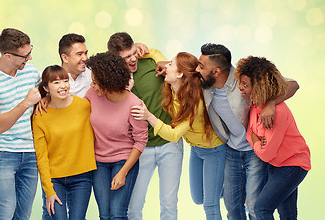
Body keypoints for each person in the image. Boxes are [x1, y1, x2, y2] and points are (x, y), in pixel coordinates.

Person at [194, 43, 299, 220]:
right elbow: (181, 68)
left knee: (254, 207)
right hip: (231, 150)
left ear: (216, 72)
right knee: (233, 208)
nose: (197, 69)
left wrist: (271, 103)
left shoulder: (244, 80)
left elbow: (292, 85)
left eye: (202, 66)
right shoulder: (205, 84)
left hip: (254, 151)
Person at [131, 52, 226, 220]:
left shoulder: (195, 101)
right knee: (198, 198)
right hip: (196, 150)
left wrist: (149, 116)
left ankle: (233, 189)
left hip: (214, 150)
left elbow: (174, 135)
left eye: (170, 65)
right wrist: (141, 47)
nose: (164, 66)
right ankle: (231, 188)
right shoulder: (171, 89)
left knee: (210, 205)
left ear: (180, 73)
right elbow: (155, 54)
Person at [107, 32, 183, 220]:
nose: (133, 59)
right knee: (134, 206)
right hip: (139, 149)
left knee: (169, 204)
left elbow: (176, 72)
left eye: (133, 52)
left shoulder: (151, 63)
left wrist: (156, 56)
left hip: (169, 144)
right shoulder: (111, 78)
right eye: (126, 57)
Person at [0, 28, 41, 219]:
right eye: (24, 56)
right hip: (2, 154)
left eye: (30, 52)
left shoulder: (30, 72)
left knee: (23, 215)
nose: (29, 58)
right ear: (7, 55)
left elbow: (53, 84)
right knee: (4, 213)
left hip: (30, 153)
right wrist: (26, 102)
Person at [234, 56, 310, 220]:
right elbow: (249, 132)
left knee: (262, 209)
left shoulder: (277, 113)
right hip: (276, 163)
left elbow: (266, 153)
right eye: (241, 82)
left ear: (259, 86)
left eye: (245, 85)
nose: (240, 87)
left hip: (293, 165)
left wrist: (255, 140)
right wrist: (256, 141)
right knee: (287, 214)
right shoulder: (255, 104)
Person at [84, 52, 148, 220]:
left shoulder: (134, 105)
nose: (92, 85)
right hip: (99, 163)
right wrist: (47, 99)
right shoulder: (92, 95)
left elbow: (141, 141)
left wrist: (123, 172)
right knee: (105, 215)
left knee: (117, 214)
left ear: (108, 82)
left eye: (96, 82)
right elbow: (74, 110)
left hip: (124, 161)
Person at [32, 65, 96, 220]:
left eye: (65, 81)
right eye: (56, 83)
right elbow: (42, 157)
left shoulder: (84, 106)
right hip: (55, 180)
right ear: (46, 88)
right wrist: (49, 190)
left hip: (82, 176)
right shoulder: (40, 115)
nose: (63, 86)